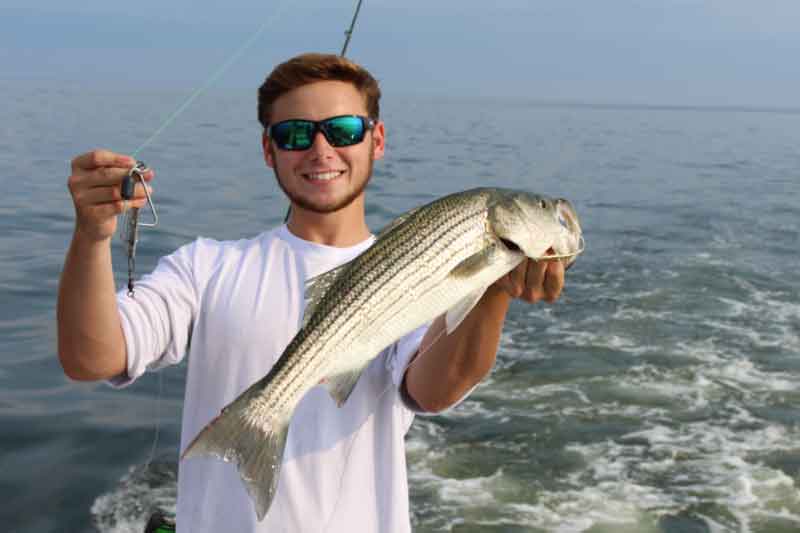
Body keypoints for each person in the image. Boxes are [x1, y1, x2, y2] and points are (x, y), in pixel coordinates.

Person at [57, 53, 566, 532]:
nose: (321, 149)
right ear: (269, 150)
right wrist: (92, 235)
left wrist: (494, 290)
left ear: (377, 140)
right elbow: (89, 359)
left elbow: (435, 390)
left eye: (344, 130)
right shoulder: (205, 266)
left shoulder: (422, 276)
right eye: (296, 134)